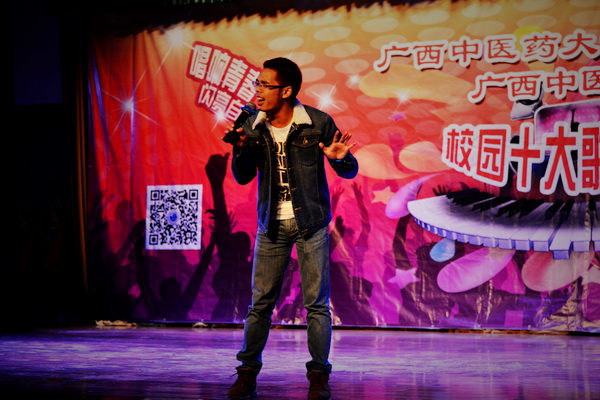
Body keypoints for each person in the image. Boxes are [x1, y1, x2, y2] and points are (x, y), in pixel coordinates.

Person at [223, 57, 358, 399]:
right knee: (260, 304)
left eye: (264, 85)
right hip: (271, 224)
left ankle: (318, 375)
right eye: (256, 84)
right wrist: (240, 148)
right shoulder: (252, 125)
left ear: (286, 91)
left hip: (310, 224)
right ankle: (246, 372)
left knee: (317, 304)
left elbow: (349, 170)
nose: (257, 91)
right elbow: (242, 177)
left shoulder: (317, 122)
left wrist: (340, 158)